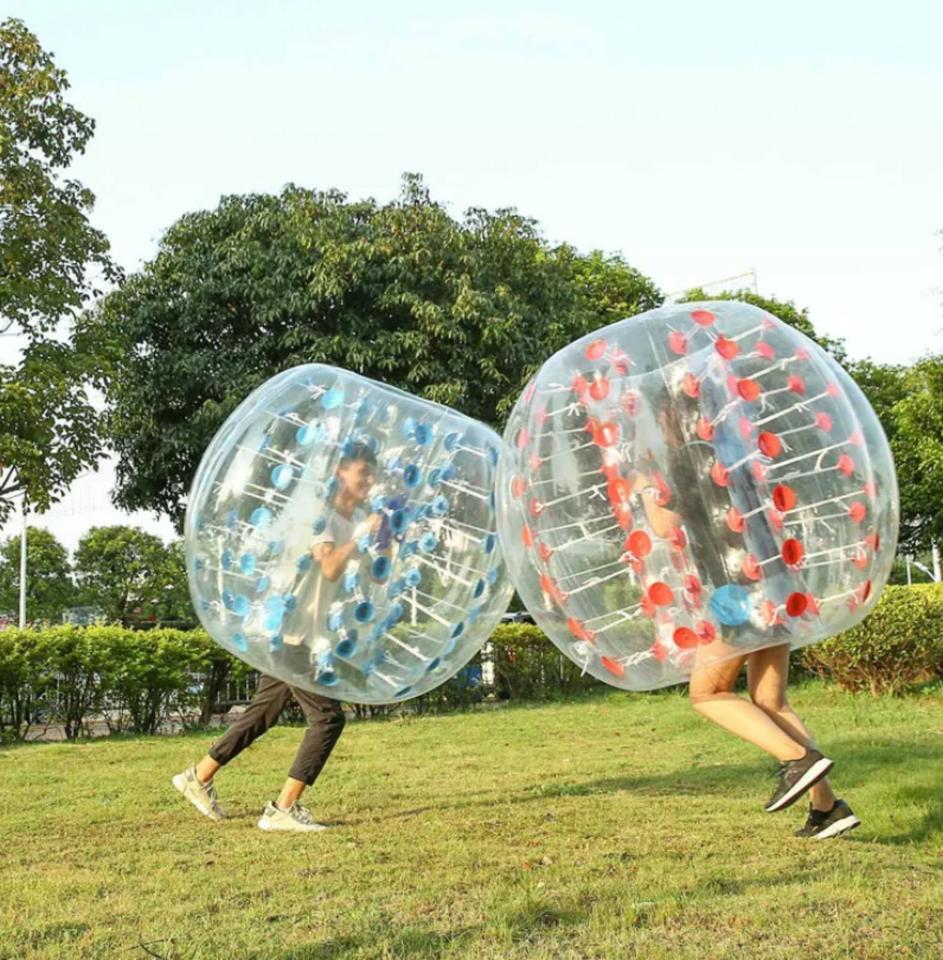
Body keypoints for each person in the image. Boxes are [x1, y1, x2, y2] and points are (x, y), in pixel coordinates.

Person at [634, 384, 860, 839]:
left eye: (659, 419)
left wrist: (643, 488)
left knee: (708, 694)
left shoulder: (682, 459)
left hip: (736, 590)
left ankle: (796, 760)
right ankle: (828, 808)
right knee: (770, 701)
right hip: (777, 583)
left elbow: (664, 526)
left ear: (670, 419)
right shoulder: (735, 455)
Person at [173, 442, 381, 833]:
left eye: (372, 474)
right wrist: (360, 535)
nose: (369, 480)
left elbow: (371, 574)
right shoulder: (323, 515)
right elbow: (332, 567)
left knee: (263, 713)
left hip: (305, 635)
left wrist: (380, 543)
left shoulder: (355, 520)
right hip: (290, 633)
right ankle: (282, 809)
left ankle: (198, 776)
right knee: (327, 718)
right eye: (362, 473)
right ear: (341, 472)